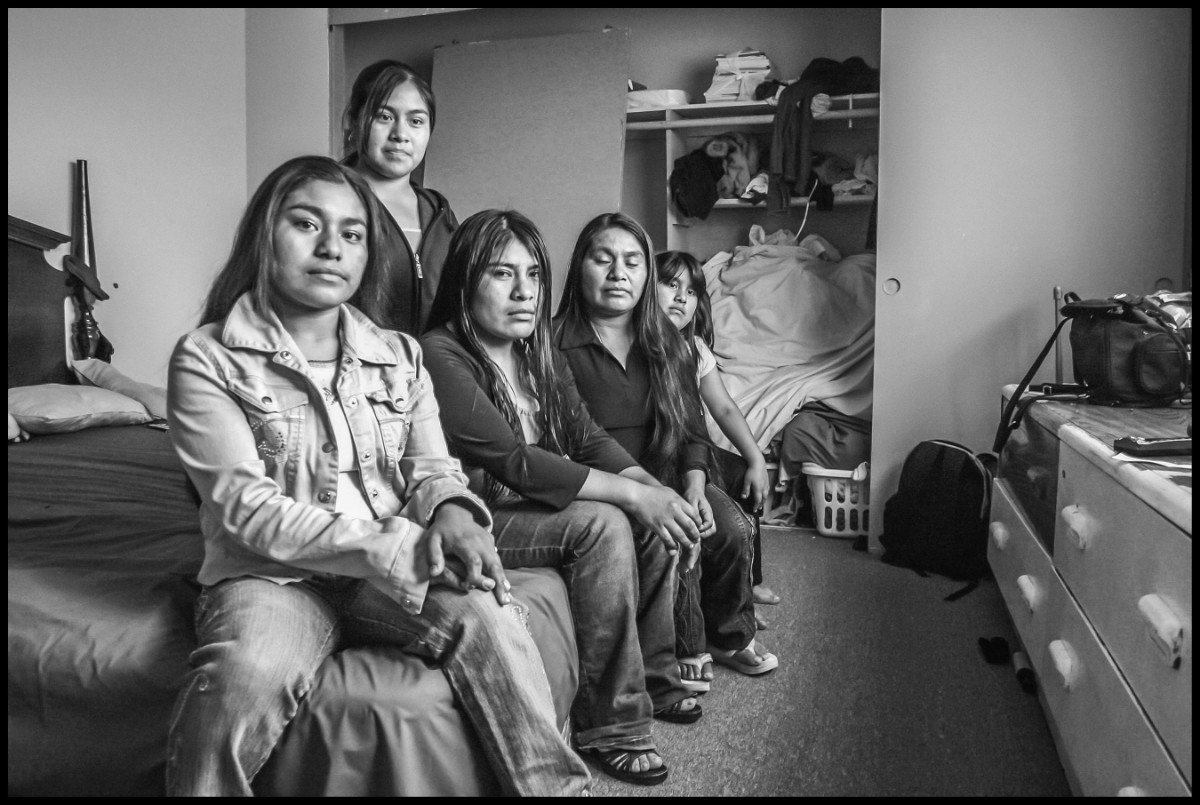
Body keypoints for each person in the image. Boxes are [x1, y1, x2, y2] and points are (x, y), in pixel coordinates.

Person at [164, 155, 589, 797]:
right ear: (264, 234)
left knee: (495, 617)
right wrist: (402, 546)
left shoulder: (398, 354)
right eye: (307, 224)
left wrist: (451, 512)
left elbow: (431, 468)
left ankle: (557, 789)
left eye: (353, 233)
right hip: (274, 576)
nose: (332, 247)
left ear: (368, 253)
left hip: (392, 567)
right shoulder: (209, 357)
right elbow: (244, 510)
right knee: (246, 673)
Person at [420, 209, 706, 787]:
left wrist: (657, 492)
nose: (525, 292)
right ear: (464, 278)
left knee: (648, 515)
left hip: (525, 506)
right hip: (481, 514)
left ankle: (655, 676)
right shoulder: (439, 352)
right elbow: (513, 461)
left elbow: (583, 436)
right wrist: (629, 495)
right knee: (603, 522)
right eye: (503, 274)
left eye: (533, 274)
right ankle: (612, 725)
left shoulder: (534, 349)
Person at [553, 213, 778, 696]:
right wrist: (658, 496)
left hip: (672, 472)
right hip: (604, 483)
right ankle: (685, 645)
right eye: (603, 259)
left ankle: (728, 635)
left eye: (632, 262)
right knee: (676, 533)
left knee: (734, 526)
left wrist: (695, 484)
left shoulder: (670, 345)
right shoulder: (553, 343)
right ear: (580, 267)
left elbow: (694, 430)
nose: (618, 273)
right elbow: (572, 440)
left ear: (644, 276)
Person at [654, 250, 782, 618]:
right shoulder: (640, 345)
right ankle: (730, 599)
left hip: (696, 449)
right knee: (720, 520)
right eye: (671, 284)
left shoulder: (694, 349)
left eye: (691, 291)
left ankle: (749, 582)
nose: (681, 297)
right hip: (666, 455)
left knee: (744, 475)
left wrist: (757, 458)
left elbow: (723, 407)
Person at [341, 59, 457, 335]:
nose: (400, 135)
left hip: (431, 373)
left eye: (416, 121)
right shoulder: (329, 202)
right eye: (384, 117)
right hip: (354, 372)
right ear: (354, 121)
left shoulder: (439, 211)